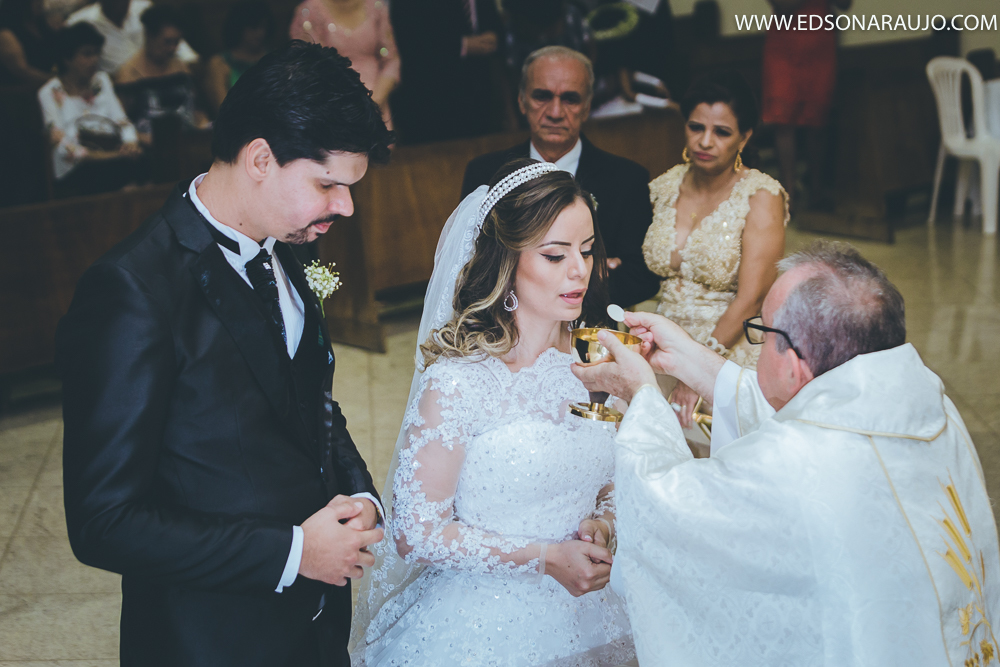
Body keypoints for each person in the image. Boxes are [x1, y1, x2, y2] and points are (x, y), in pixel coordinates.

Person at [57, 41, 393, 666]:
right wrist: (292, 553)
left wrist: (359, 496)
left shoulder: (285, 248)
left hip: (314, 631)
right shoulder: (134, 290)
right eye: (328, 184)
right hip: (210, 639)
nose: (345, 206)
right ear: (261, 158)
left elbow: (309, 399)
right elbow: (103, 521)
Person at [572, 241, 1000, 666]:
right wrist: (688, 359)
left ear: (795, 366)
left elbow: (667, 504)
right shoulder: (920, 401)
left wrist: (642, 393)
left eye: (762, 331)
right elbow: (811, 415)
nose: (756, 341)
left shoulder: (800, 460)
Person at [350, 159, 635, 666]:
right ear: (506, 264)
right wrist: (545, 559)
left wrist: (604, 523)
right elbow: (416, 532)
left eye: (587, 251)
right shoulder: (459, 382)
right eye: (554, 255)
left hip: (594, 613)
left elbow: (609, 480)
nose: (579, 271)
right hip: (483, 623)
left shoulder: (595, 365)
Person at [643, 70, 787, 436]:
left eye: (722, 132)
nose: (705, 141)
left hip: (727, 346)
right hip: (661, 339)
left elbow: (752, 299)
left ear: (745, 137)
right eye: (696, 127)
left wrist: (698, 373)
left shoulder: (760, 196)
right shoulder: (665, 184)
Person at [463, 46, 659, 307]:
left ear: (587, 107)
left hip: (589, 332)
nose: (555, 112)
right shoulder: (485, 174)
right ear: (521, 101)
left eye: (570, 99)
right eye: (542, 96)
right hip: (506, 324)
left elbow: (641, 278)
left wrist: (572, 296)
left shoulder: (626, 178)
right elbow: (468, 266)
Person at [763, 0, 850, 211]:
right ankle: (788, 194)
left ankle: (816, 192)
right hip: (784, 46)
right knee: (783, 119)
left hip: (820, 44)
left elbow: (846, 4)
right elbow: (782, 6)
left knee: (817, 120)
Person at [38, 22, 141, 197]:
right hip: (76, 167)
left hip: (112, 157)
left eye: (96, 53)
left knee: (142, 161)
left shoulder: (102, 81)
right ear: (67, 58)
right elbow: (61, 145)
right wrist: (108, 156)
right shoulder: (49, 92)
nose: (94, 60)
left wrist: (130, 142)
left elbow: (121, 120)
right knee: (114, 171)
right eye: (87, 54)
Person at [389, 0, 502, 143]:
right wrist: (462, 45)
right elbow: (409, 36)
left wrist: (494, 35)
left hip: (479, 92)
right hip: (431, 95)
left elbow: (491, 19)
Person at [289, 0, 399, 129]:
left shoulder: (375, 6)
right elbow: (308, 66)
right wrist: (345, 104)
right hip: (332, 104)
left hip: (376, 100)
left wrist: (375, 100)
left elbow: (391, 59)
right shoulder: (309, 11)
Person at [67, 0, 196, 75]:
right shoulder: (80, 22)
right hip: (123, 87)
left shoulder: (142, 6)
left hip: (164, 73)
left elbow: (184, 53)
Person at [205, 0, 275, 115]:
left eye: (263, 26)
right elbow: (222, 109)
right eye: (253, 27)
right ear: (239, 27)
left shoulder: (274, 58)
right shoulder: (219, 63)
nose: (260, 33)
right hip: (237, 127)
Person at [0, 0, 56, 86]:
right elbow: (23, 72)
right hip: (25, 90)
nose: (41, 3)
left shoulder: (37, 20)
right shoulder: (5, 32)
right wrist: (56, 80)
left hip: (50, 76)